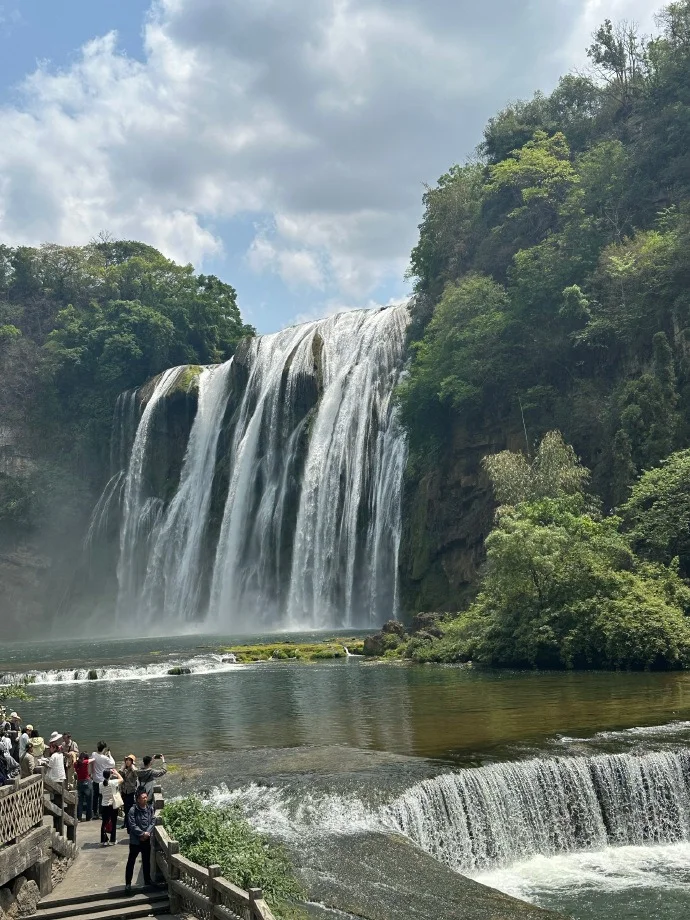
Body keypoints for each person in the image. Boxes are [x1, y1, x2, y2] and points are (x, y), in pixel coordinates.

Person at [125, 787, 156, 891]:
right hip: (135, 840)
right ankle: (128, 884)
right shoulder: (133, 810)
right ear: (138, 799)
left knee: (146, 861)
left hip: (146, 839)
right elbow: (132, 825)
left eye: (146, 797)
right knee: (131, 861)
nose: (145, 799)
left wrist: (147, 833)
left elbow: (152, 821)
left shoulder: (150, 808)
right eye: (143, 798)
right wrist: (142, 833)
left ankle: (148, 880)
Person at [91, 741, 115, 819]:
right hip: (102, 780)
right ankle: (101, 813)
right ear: (104, 749)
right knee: (102, 796)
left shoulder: (93, 754)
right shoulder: (105, 758)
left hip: (95, 779)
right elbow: (112, 764)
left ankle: (95, 812)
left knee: (95, 796)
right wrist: (110, 755)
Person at [99, 767, 123, 846]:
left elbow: (101, 793)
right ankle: (112, 840)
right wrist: (116, 773)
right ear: (110, 775)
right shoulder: (113, 782)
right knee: (113, 822)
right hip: (112, 805)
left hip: (104, 805)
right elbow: (121, 779)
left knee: (104, 823)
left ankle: (104, 840)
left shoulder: (100, 784)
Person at [75, 751, 95, 821]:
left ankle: (79, 817)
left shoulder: (76, 764)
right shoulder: (85, 762)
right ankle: (88, 817)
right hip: (87, 782)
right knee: (89, 801)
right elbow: (93, 759)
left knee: (79, 802)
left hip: (79, 783)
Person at [120, 755, 138, 831]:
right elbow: (119, 775)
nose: (127, 761)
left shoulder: (134, 770)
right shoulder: (125, 769)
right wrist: (123, 767)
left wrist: (133, 767)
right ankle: (126, 823)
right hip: (124, 791)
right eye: (126, 760)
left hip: (131, 791)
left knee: (130, 809)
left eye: (129, 760)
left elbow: (137, 775)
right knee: (125, 808)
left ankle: (129, 824)